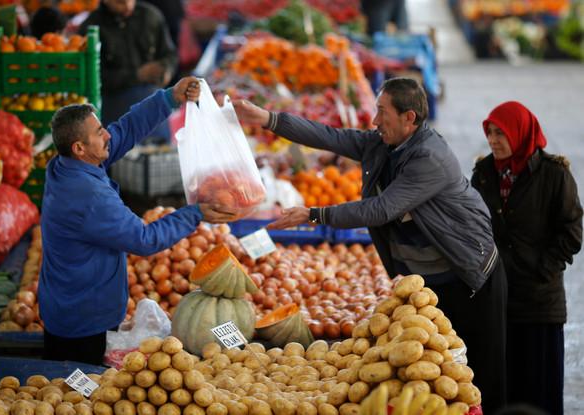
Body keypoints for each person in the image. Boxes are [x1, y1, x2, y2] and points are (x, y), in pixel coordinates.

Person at [233, 78, 507, 413]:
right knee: (435, 379)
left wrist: (313, 214)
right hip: (428, 282)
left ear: (409, 118)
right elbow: (330, 136)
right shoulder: (383, 143)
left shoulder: (428, 157)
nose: (375, 121)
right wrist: (268, 119)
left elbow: (381, 209)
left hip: (469, 277)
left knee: (479, 378)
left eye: (382, 112)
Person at [39, 77, 236, 365]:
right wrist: (195, 213)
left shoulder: (66, 164)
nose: (107, 135)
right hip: (82, 321)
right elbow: (144, 240)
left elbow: (124, 131)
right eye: (98, 132)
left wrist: (169, 98)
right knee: (79, 395)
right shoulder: (89, 196)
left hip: (65, 303)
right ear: (80, 147)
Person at [471, 101, 582, 415]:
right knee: (502, 389)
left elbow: (572, 230)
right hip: (497, 300)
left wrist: (543, 269)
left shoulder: (553, 174)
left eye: (501, 133)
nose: (493, 140)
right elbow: (470, 222)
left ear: (520, 133)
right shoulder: (483, 173)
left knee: (538, 391)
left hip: (538, 303)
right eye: (490, 132)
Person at [79, 0, 177, 139]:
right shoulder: (91, 27)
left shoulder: (151, 16)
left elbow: (170, 54)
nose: (127, 5)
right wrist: (137, 76)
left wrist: (166, 69)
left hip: (153, 105)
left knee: (159, 154)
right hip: (114, 108)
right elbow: (92, 78)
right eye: (120, 2)